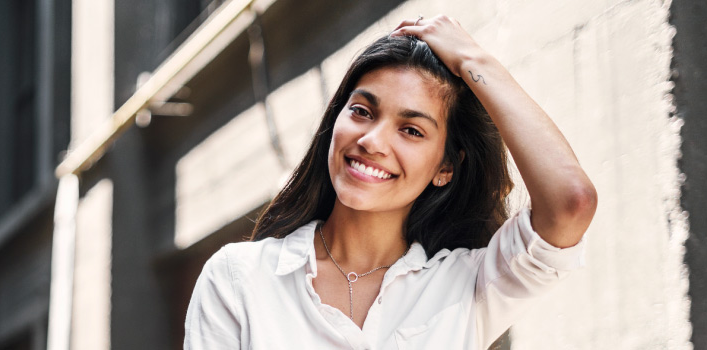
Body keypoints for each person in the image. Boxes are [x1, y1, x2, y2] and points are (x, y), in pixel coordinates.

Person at [184, 15, 597, 350]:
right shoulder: (239, 278)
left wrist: (475, 60)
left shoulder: (467, 287)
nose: (372, 141)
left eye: (412, 130)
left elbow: (571, 202)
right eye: (362, 111)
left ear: (445, 168)